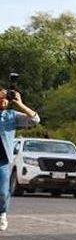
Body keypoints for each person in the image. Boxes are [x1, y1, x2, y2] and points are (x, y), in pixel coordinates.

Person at [0, 88, 41, 231]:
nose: (4, 101)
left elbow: (35, 120)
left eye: (7, 99)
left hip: (3, 161)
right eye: (1, 98)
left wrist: (20, 104)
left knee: (3, 191)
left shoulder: (11, 116)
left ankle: (2, 214)